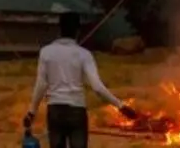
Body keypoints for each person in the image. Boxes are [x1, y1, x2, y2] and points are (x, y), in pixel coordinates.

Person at [23, 12, 138, 148]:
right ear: (78, 31)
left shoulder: (46, 52)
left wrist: (31, 112)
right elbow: (97, 87)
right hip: (77, 111)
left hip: (55, 111)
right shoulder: (84, 55)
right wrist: (121, 106)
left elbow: (41, 85)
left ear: (59, 29)